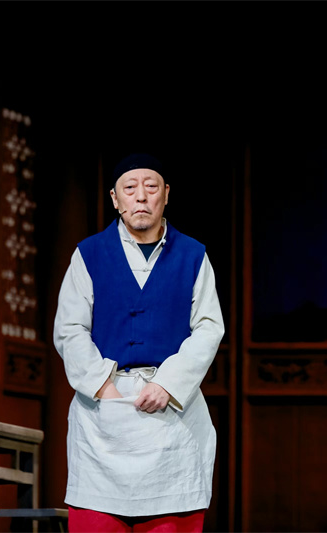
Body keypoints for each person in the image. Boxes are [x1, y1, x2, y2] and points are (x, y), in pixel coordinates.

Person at [54, 153, 225, 532]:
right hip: (102, 413)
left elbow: (209, 327)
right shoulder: (89, 255)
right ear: (115, 198)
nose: (141, 197)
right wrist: (104, 387)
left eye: (151, 187)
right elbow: (70, 328)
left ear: (166, 194)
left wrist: (167, 384)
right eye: (130, 188)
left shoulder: (193, 256)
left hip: (172, 417)